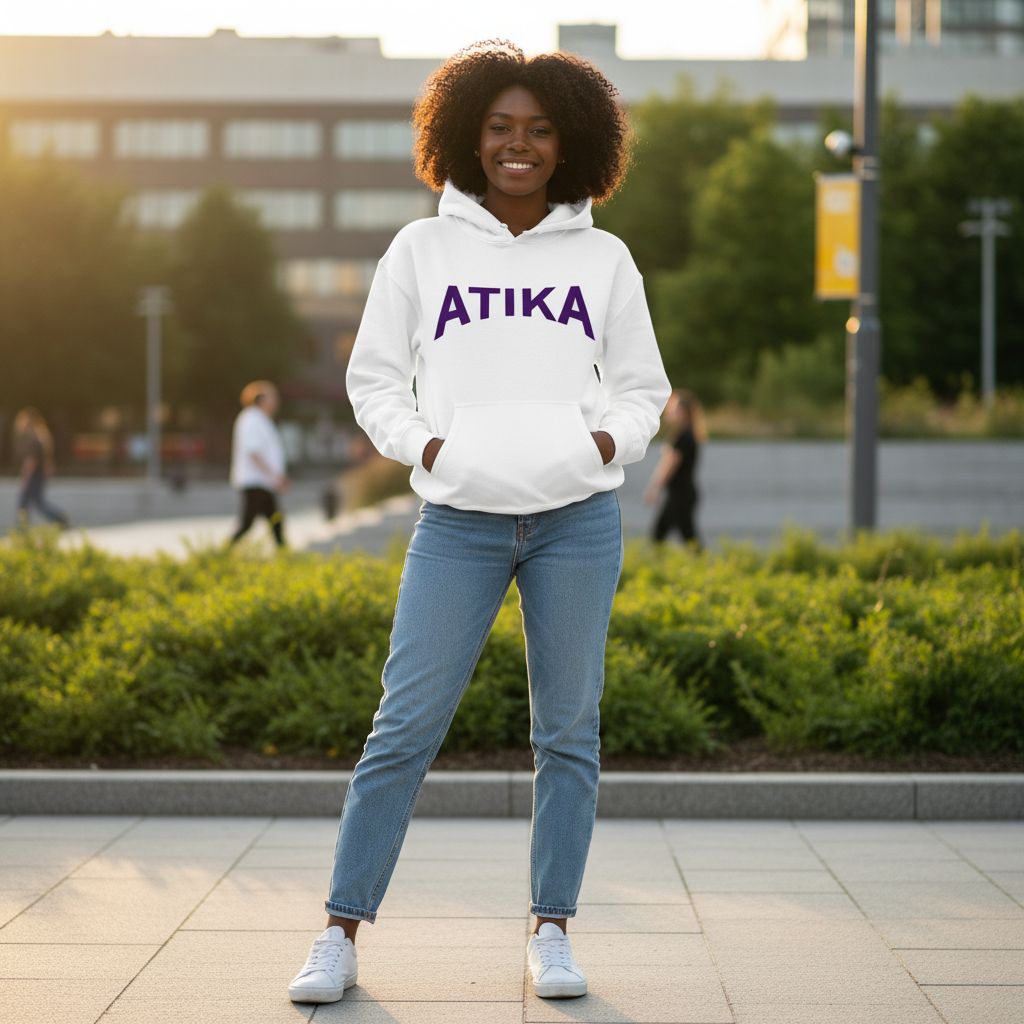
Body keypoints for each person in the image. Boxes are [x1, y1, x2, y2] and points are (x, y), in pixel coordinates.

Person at [288, 38, 672, 1006]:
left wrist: (598, 449)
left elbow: (642, 389)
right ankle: (338, 931)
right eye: (500, 128)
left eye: (540, 131)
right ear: (465, 135)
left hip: (575, 520)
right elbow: (373, 376)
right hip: (457, 519)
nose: (519, 146)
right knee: (402, 727)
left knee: (568, 732)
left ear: (570, 142)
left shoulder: (603, 256)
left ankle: (550, 928)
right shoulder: (421, 248)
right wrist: (425, 451)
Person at [228, 380, 289, 548]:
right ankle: (224, 551)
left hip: (264, 482)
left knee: (275, 520)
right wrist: (274, 475)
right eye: (273, 398)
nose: (276, 402)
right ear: (261, 399)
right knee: (248, 523)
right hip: (255, 481)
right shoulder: (251, 419)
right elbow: (253, 452)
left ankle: (283, 552)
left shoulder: (261, 420)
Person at [644, 388, 706, 551]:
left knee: (668, 534)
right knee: (673, 534)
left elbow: (668, 466)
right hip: (682, 494)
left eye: (674, 409)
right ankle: (699, 566)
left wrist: (654, 488)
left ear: (684, 412)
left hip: (681, 495)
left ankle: (702, 568)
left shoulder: (683, 438)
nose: (669, 412)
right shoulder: (685, 436)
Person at [13, 407, 70, 530]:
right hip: (39, 474)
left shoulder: (32, 437)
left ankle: (24, 529)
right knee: (34, 503)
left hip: (34, 475)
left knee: (26, 503)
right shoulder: (40, 435)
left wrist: (25, 476)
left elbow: (31, 460)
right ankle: (59, 519)